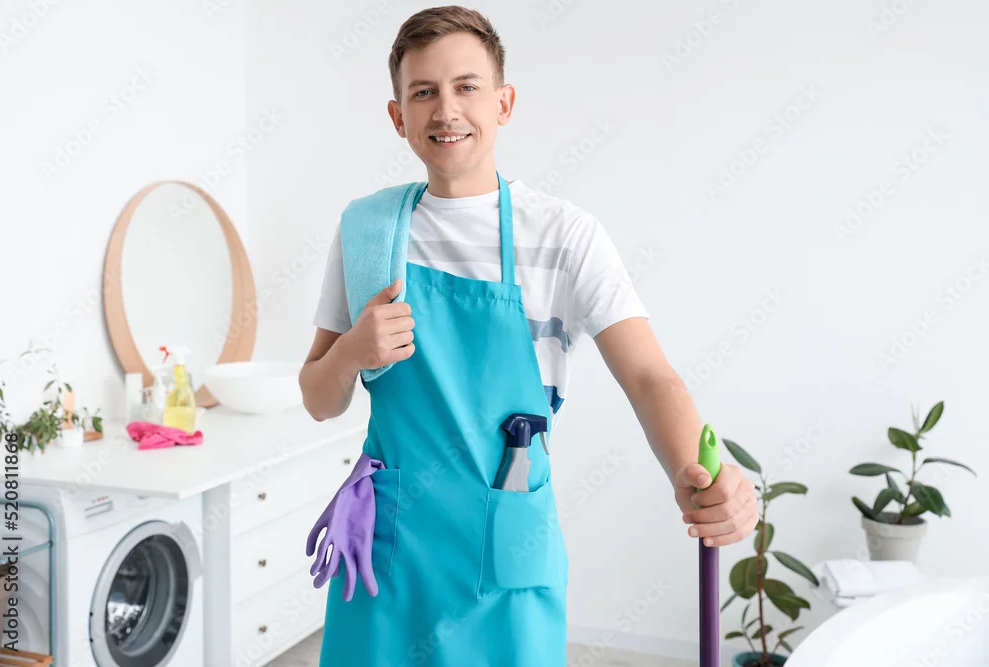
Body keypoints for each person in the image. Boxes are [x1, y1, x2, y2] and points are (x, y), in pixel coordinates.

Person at [300, 6, 757, 666]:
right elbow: (318, 398)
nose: (446, 110)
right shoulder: (368, 233)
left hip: (507, 541)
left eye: (467, 86)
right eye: (423, 92)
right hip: (389, 550)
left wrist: (701, 478)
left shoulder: (564, 236)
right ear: (398, 116)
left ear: (503, 102)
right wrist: (350, 352)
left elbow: (649, 377)